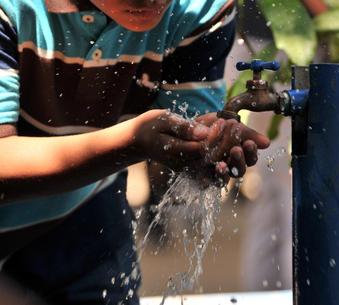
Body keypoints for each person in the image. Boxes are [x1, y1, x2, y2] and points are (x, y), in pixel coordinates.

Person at [0, 0, 270, 304]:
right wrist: (129, 143)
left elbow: (185, 137)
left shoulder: (199, 7)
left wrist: (207, 148)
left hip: (86, 206)